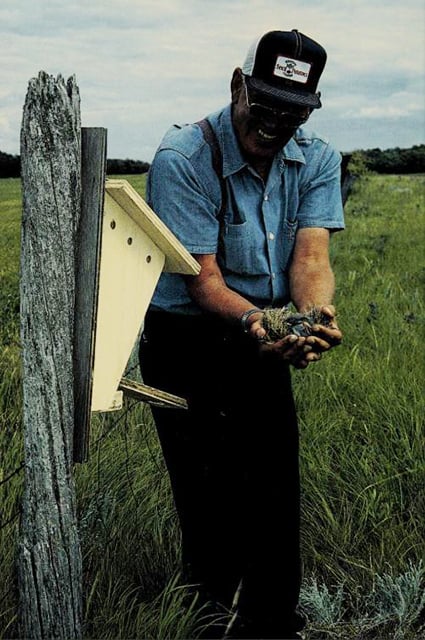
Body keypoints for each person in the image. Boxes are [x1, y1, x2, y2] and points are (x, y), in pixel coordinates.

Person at [139, 29, 345, 639]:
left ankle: (270, 624)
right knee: (209, 494)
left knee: (275, 487)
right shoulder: (184, 157)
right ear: (238, 85)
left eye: (293, 112)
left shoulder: (318, 158)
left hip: (265, 330)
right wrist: (259, 322)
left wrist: (309, 321)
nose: (274, 123)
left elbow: (310, 259)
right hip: (187, 337)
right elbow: (204, 282)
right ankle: (202, 622)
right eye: (265, 105)